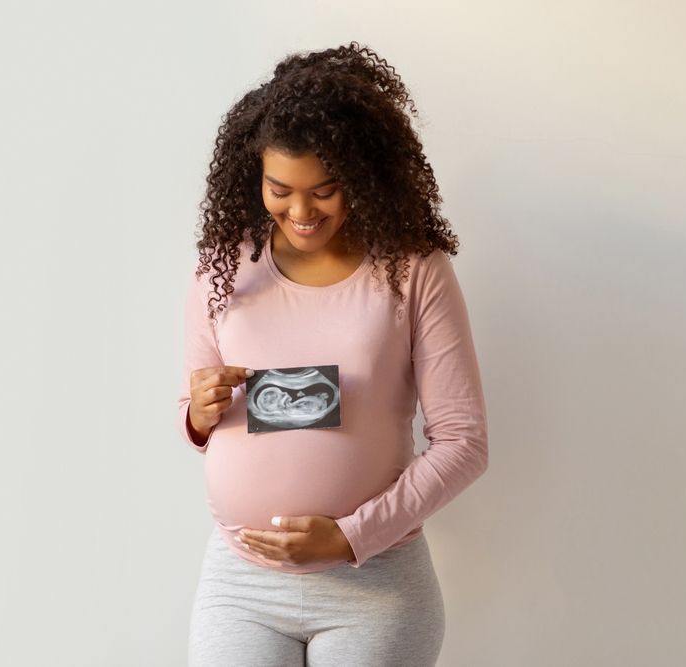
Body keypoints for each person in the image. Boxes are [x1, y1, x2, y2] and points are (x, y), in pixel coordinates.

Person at [177, 43, 488, 667]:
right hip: (242, 581)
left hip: (373, 586)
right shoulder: (221, 269)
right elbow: (194, 416)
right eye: (280, 189)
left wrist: (351, 537)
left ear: (364, 175)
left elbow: (464, 443)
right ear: (254, 176)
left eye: (324, 190)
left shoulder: (413, 272)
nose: (300, 212)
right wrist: (199, 413)